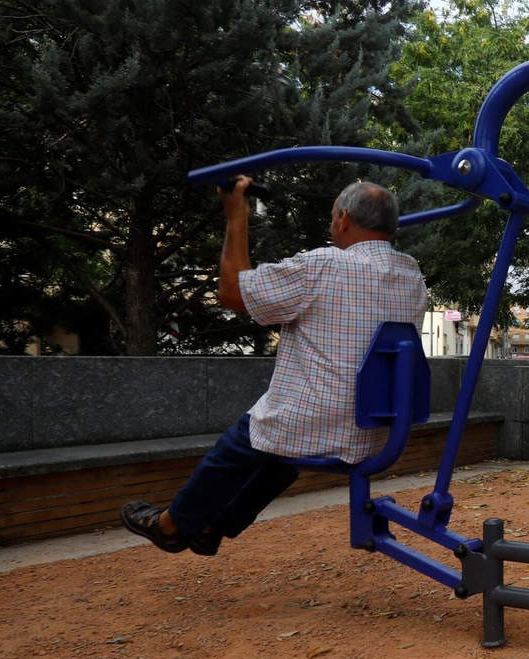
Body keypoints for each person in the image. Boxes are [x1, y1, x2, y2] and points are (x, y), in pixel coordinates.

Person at [121, 178, 429, 555]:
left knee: (247, 438)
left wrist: (237, 215)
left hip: (319, 422)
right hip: (375, 429)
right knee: (277, 455)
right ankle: (215, 525)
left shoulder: (324, 264)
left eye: (333, 217)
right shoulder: (411, 275)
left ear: (344, 220)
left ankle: (170, 526)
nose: (332, 225)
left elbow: (233, 293)